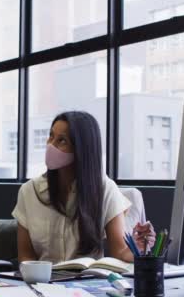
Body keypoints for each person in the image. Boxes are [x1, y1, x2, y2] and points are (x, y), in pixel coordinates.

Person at [12, 111, 155, 263]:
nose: (51, 145)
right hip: (43, 282)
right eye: (51, 136)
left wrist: (138, 248)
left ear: (81, 148)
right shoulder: (29, 191)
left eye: (62, 141)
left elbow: (119, 252)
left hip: (87, 282)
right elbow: (25, 255)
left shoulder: (105, 189)